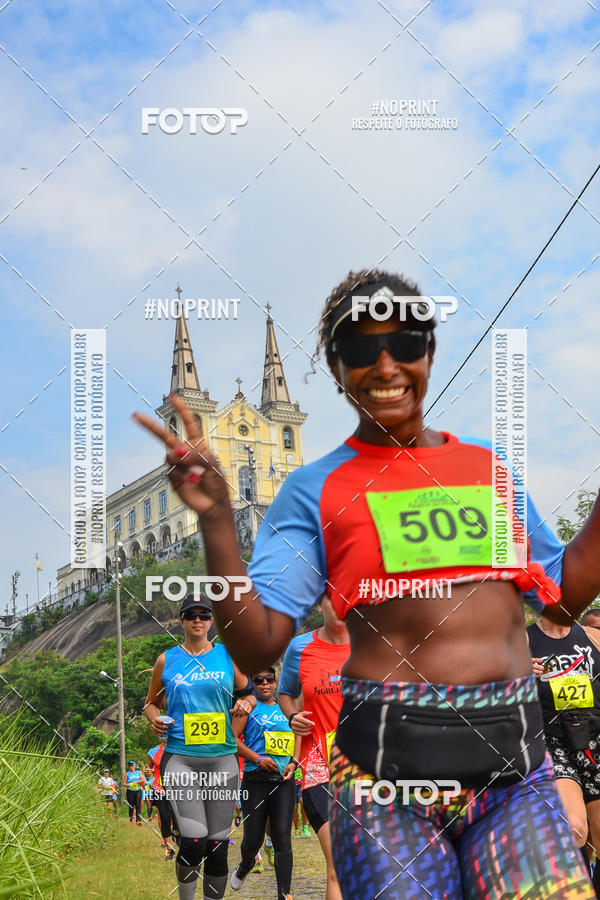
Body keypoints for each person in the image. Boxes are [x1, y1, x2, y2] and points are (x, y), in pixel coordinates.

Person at [134, 267, 600, 898]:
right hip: (384, 794)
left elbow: (565, 592)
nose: (385, 366)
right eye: (360, 349)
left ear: (429, 352)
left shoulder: (486, 469)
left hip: (514, 779)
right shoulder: (313, 491)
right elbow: (255, 646)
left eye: (406, 343)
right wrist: (217, 520)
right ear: (335, 367)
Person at [144, 593, 256, 900]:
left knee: (218, 846)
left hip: (222, 759)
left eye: (204, 615)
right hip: (181, 758)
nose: (197, 620)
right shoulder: (166, 660)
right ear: (181, 621)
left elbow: (249, 692)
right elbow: (150, 703)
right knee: (194, 842)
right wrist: (154, 718)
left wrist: (245, 703)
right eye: (191, 615)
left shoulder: (227, 656)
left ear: (211, 622)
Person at [278, 596, 349, 900]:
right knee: (338, 865)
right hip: (320, 767)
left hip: (368, 767)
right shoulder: (300, 648)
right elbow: (285, 693)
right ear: (320, 605)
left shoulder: (374, 643)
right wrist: (293, 716)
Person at [529, 611, 600, 890]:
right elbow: (492, 684)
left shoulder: (593, 637)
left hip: (594, 738)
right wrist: (518, 672)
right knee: (573, 827)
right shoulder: (523, 639)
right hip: (551, 741)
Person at [230, 667, 296, 900]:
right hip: (255, 780)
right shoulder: (247, 707)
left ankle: (284, 894)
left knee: (282, 837)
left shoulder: (287, 707)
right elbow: (232, 740)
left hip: (284, 780)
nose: (265, 684)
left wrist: (294, 763)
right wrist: (258, 758)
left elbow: (300, 737)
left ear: (276, 681)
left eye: (269, 679)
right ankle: (247, 863)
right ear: (253, 683)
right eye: (258, 680)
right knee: (253, 840)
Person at [147, 737, 176, 860]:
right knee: (164, 818)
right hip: (160, 789)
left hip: (177, 788)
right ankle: (170, 850)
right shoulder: (153, 752)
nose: (165, 735)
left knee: (177, 818)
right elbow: (149, 768)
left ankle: (177, 835)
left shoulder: (178, 748)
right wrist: (148, 772)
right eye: (163, 732)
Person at [125, 760, 146, 825]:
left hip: (138, 791)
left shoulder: (139, 772)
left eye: (131, 765)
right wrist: (128, 785)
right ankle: (130, 819)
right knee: (131, 806)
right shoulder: (127, 773)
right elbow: (124, 783)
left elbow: (143, 779)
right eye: (129, 765)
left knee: (138, 806)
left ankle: (138, 820)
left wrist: (136, 782)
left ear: (134, 765)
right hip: (130, 791)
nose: (130, 766)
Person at [292, 767, 308, 838]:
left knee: (303, 803)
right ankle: (297, 830)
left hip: (301, 783)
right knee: (294, 808)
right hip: (292, 784)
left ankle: (305, 826)